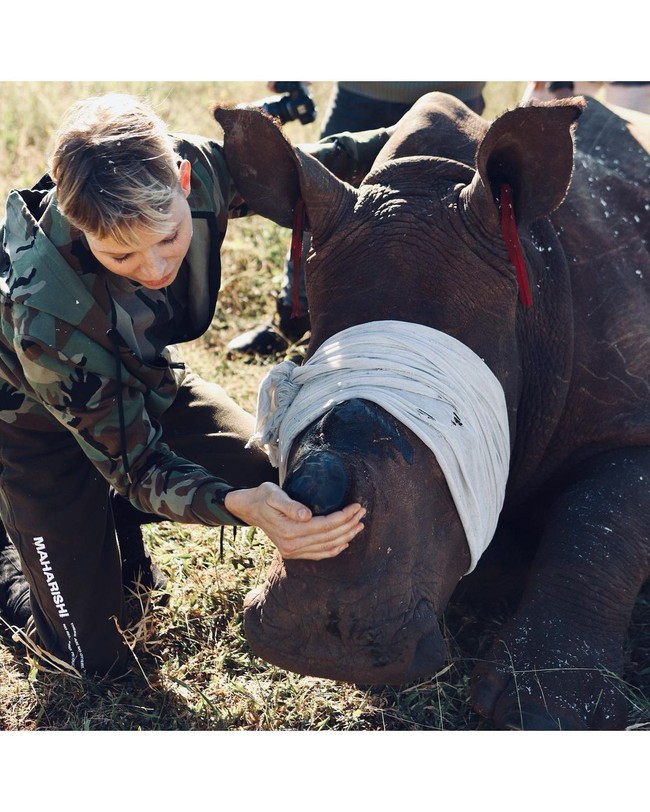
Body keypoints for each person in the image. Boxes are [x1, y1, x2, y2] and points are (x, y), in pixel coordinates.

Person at [0, 92, 386, 677]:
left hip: (143, 385)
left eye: (167, 238)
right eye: (121, 256)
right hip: (36, 431)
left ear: (182, 180)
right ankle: (18, 540)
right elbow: (136, 468)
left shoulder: (197, 169)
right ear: (75, 223)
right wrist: (238, 506)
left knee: (283, 477)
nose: (155, 269)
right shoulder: (47, 312)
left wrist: (421, 140)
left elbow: (311, 167)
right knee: (91, 663)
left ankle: (109, 518)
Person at [227, 81, 487, 355]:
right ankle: (295, 319)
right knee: (316, 204)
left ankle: (425, 336)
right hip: (361, 93)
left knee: (443, 223)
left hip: (455, 99)